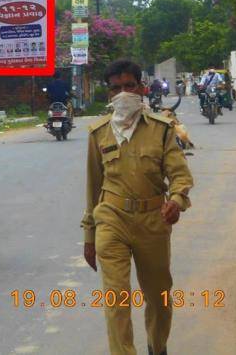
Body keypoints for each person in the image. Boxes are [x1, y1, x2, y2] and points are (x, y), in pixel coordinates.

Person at [82, 59, 194, 355]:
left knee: (159, 298)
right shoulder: (98, 133)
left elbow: (180, 174)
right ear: (108, 93)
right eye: (115, 88)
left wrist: (177, 200)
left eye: (129, 86)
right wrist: (89, 237)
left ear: (142, 88)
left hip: (152, 221)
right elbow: (93, 188)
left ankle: (157, 347)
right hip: (111, 219)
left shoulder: (162, 130)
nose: (123, 93)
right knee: (117, 300)